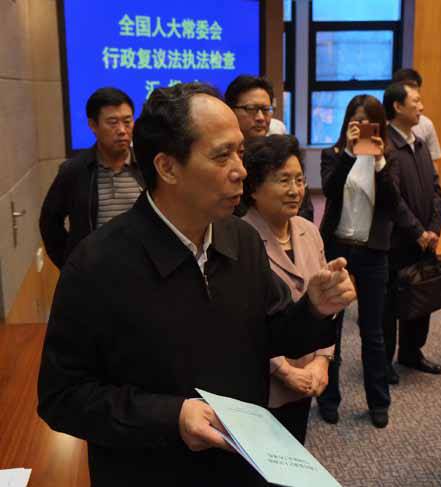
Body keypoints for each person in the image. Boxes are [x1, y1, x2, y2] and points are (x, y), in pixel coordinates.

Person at [37, 83, 356, 487]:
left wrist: (314, 308)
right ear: (168, 167)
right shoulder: (96, 264)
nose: (241, 170)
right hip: (149, 472)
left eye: (240, 152)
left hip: (243, 462)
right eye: (222, 155)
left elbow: (274, 330)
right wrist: (172, 416)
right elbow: (63, 396)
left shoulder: (241, 239)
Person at [241, 134, 334, 444]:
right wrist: (284, 371)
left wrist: (322, 359)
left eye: (299, 179)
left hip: (309, 373)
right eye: (283, 181)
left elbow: (326, 304)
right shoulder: (240, 239)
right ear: (254, 188)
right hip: (262, 382)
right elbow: (241, 323)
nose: (295, 190)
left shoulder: (309, 231)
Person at [317, 95, 400, 429]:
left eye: (369, 122)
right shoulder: (333, 154)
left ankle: (378, 401)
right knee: (331, 329)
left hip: (373, 252)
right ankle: (328, 398)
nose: (362, 127)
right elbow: (330, 190)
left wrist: (378, 162)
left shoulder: (389, 159)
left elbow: (392, 203)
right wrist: (350, 154)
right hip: (338, 249)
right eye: (356, 121)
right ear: (347, 123)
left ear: (379, 126)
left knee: (373, 332)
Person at [39, 87, 143, 269]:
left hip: (142, 270)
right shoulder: (74, 171)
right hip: (95, 273)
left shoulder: (147, 167)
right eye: (112, 122)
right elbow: (49, 222)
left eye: (127, 121)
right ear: (93, 125)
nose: (122, 130)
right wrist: (71, 266)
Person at [382, 81, 441, 381]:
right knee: (390, 302)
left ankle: (411, 353)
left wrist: (434, 227)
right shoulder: (386, 145)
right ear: (397, 106)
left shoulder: (419, 143)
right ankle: (384, 362)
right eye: (415, 101)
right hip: (397, 239)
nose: (421, 107)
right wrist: (417, 231)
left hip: (425, 238)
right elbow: (391, 198)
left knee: (421, 294)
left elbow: (436, 189)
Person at [225, 75, 314, 221]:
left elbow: (304, 207)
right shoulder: (222, 155)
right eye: (251, 109)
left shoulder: (281, 149)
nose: (260, 117)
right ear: (230, 110)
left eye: (266, 109)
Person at [393, 68, 441, 169]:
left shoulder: (426, 124)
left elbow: (433, 163)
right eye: (408, 88)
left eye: (415, 89)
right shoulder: (384, 124)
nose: (421, 107)